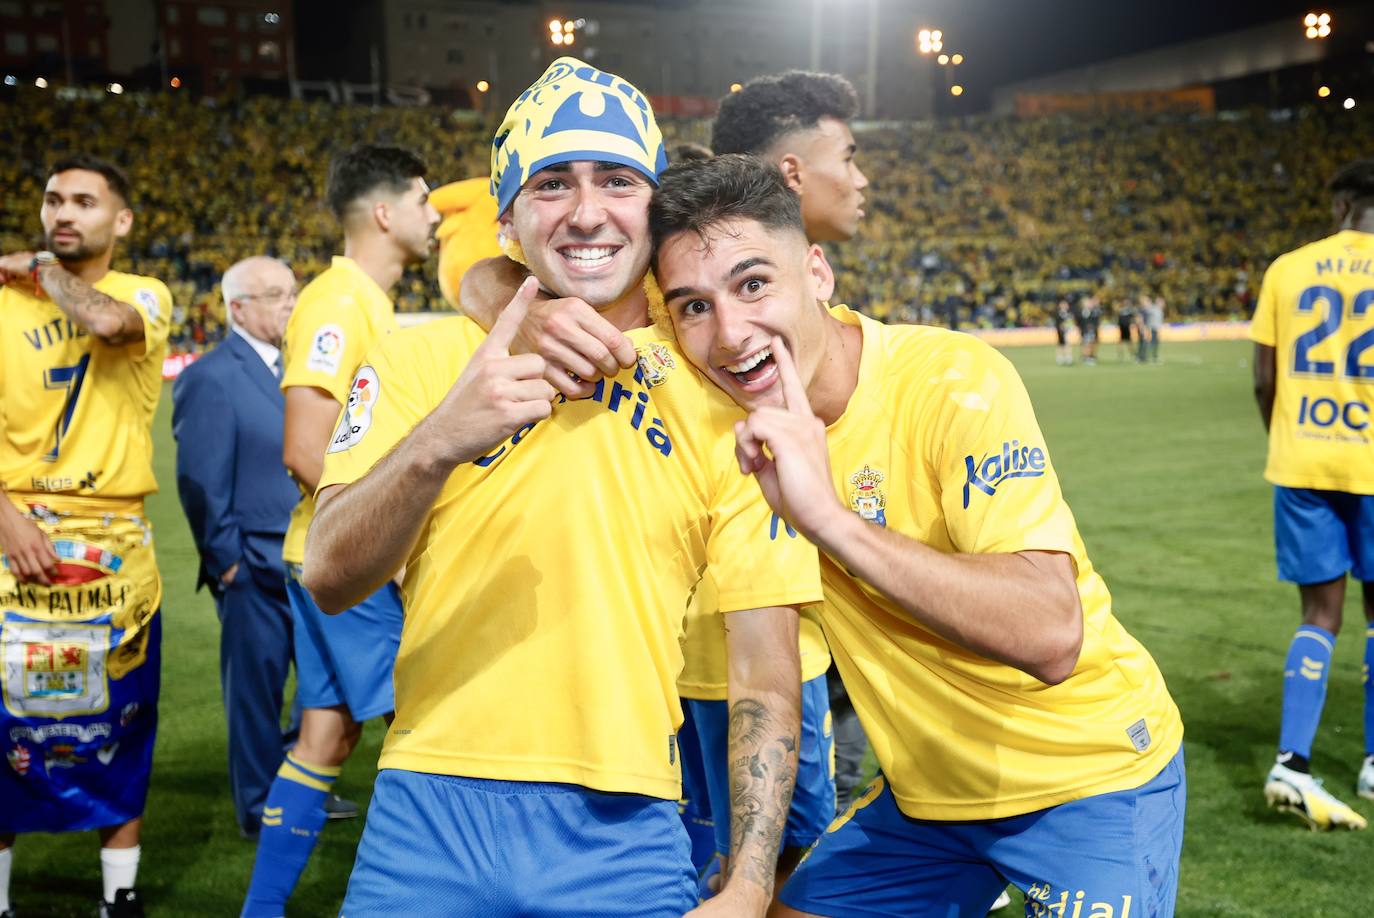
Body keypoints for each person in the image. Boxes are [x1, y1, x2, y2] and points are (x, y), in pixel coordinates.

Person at [306, 58, 820, 917]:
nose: (587, 212)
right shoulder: (418, 362)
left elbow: (765, 670)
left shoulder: (717, 396)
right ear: (507, 216)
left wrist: (750, 882)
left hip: (624, 830)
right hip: (427, 813)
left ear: (652, 208)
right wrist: (438, 441)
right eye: (552, 184)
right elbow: (327, 573)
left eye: (618, 180)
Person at [651, 154, 1186, 916]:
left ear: (818, 273)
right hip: (927, 801)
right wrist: (743, 882)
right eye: (693, 306)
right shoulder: (736, 436)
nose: (731, 332)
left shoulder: (952, 380)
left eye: (754, 283)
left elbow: (1051, 632)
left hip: (1089, 772)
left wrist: (828, 519)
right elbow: (766, 669)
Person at [240, 145, 439, 917]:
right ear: (385, 213)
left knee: (327, 739)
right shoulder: (338, 304)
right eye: (422, 200)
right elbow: (304, 447)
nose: (432, 216)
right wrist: (382, 546)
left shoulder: (366, 304)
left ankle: (261, 912)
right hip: (350, 565)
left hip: (317, 555)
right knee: (430, 735)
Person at [0, 155, 173, 918]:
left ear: (121, 221)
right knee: (6, 730)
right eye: (51, 200)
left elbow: (105, 322)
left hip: (114, 554)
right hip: (15, 542)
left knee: (120, 720)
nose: (62, 213)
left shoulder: (144, 293)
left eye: (83, 202)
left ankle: (120, 897)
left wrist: (41, 270)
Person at [1250, 157, 1374, 831]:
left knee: (1318, 616)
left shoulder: (1290, 268)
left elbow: (1264, 378)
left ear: (1343, 205)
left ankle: (1291, 763)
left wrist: (1290, 437)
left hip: (1304, 461)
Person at [172, 256, 300, 841]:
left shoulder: (300, 369)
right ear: (237, 308)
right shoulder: (210, 375)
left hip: (307, 559)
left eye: (292, 292)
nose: (290, 304)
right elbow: (200, 479)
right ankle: (259, 808)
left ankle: (299, 786)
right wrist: (226, 564)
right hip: (250, 565)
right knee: (255, 694)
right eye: (276, 295)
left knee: (325, 690)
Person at [1054, 299, 1075, 366]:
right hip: (1060, 332)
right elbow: (1057, 323)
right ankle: (1060, 358)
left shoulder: (1069, 314)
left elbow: (1072, 322)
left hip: (1068, 331)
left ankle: (1068, 358)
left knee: (1067, 344)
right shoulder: (1058, 313)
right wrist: (1061, 327)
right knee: (1060, 344)